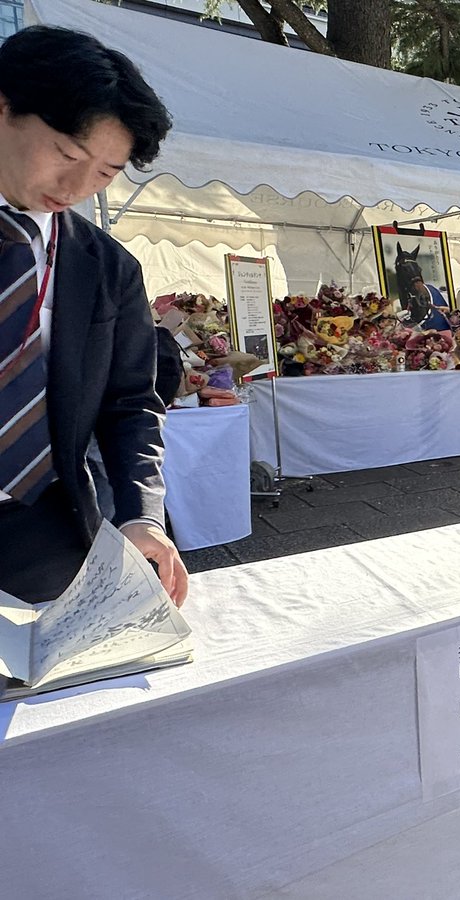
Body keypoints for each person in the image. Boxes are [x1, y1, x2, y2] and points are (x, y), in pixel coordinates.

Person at [0, 25, 187, 606]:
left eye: (106, 173)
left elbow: (130, 402)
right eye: (67, 154)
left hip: (46, 529)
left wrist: (142, 514)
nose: (78, 186)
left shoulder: (108, 268)